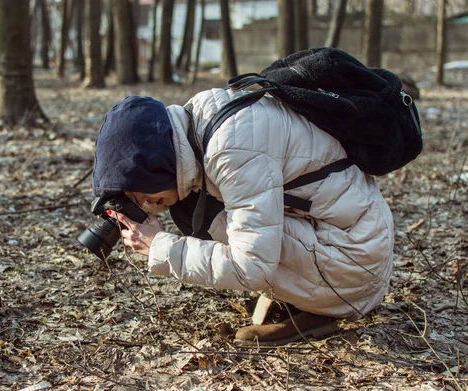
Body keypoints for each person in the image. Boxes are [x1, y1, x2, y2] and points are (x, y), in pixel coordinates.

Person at [92, 90, 394, 345]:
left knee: (205, 215)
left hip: (355, 268)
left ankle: (322, 307)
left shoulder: (231, 152)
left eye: (140, 197)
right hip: (349, 236)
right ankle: (300, 296)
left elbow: (251, 267)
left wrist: (159, 246)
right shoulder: (203, 118)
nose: (148, 205)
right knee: (197, 208)